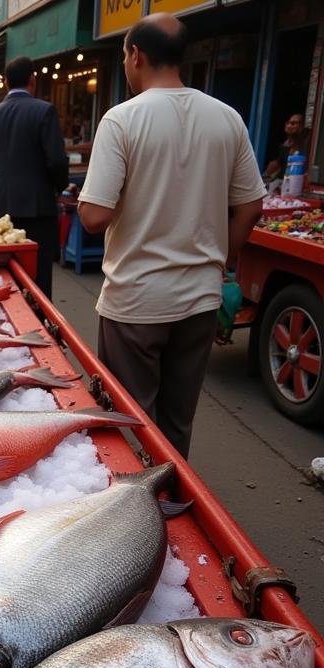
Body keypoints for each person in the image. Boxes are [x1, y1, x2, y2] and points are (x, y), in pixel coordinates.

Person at [78, 14, 264, 458]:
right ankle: (175, 505)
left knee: (130, 421)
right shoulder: (227, 118)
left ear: (135, 56)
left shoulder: (122, 120)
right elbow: (251, 205)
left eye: (124, 55)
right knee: (177, 422)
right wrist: (217, 261)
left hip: (136, 301)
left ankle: (137, 512)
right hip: (200, 299)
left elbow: (93, 217)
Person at [0, 57, 69, 298]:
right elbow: (58, 161)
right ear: (33, 79)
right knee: (38, 279)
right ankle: (40, 328)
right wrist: (60, 188)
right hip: (37, 208)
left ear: (6, 82)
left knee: (5, 276)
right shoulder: (44, 111)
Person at [263, 113, 309, 182]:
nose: (289, 125)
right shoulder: (283, 147)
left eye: (294, 123)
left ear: (302, 126)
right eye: (288, 123)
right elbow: (274, 167)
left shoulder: (306, 147)